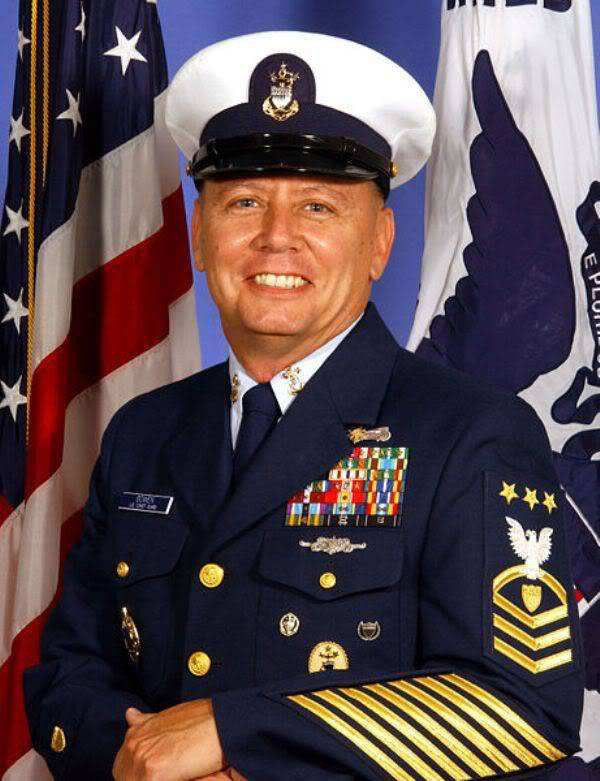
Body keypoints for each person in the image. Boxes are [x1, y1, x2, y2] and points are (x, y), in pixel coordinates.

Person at [23, 30, 586, 781]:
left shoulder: (472, 435)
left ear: (380, 242)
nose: (275, 239)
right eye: (244, 202)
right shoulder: (145, 433)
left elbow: (521, 707)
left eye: (318, 206)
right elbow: (70, 671)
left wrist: (234, 734)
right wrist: (139, 759)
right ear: (199, 235)